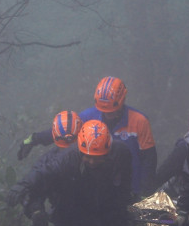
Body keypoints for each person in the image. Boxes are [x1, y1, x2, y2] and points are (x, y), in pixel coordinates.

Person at [17, 76, 156, 197]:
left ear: (122, 101)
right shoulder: (88, 117)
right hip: (101, 186)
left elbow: (149, 159)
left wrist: (145, 191)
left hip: (131, 184)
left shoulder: (139, 121)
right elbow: (65, 131)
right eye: (104, 111)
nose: (108, 114)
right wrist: (34, 139)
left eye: (112, 111)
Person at [6, 110, 83, 207]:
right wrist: (36, 211)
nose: (67, 151)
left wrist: (25, 183)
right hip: (66, 212)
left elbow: (48, 170)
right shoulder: (48, 160)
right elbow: (37, 189)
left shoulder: (90, 149)